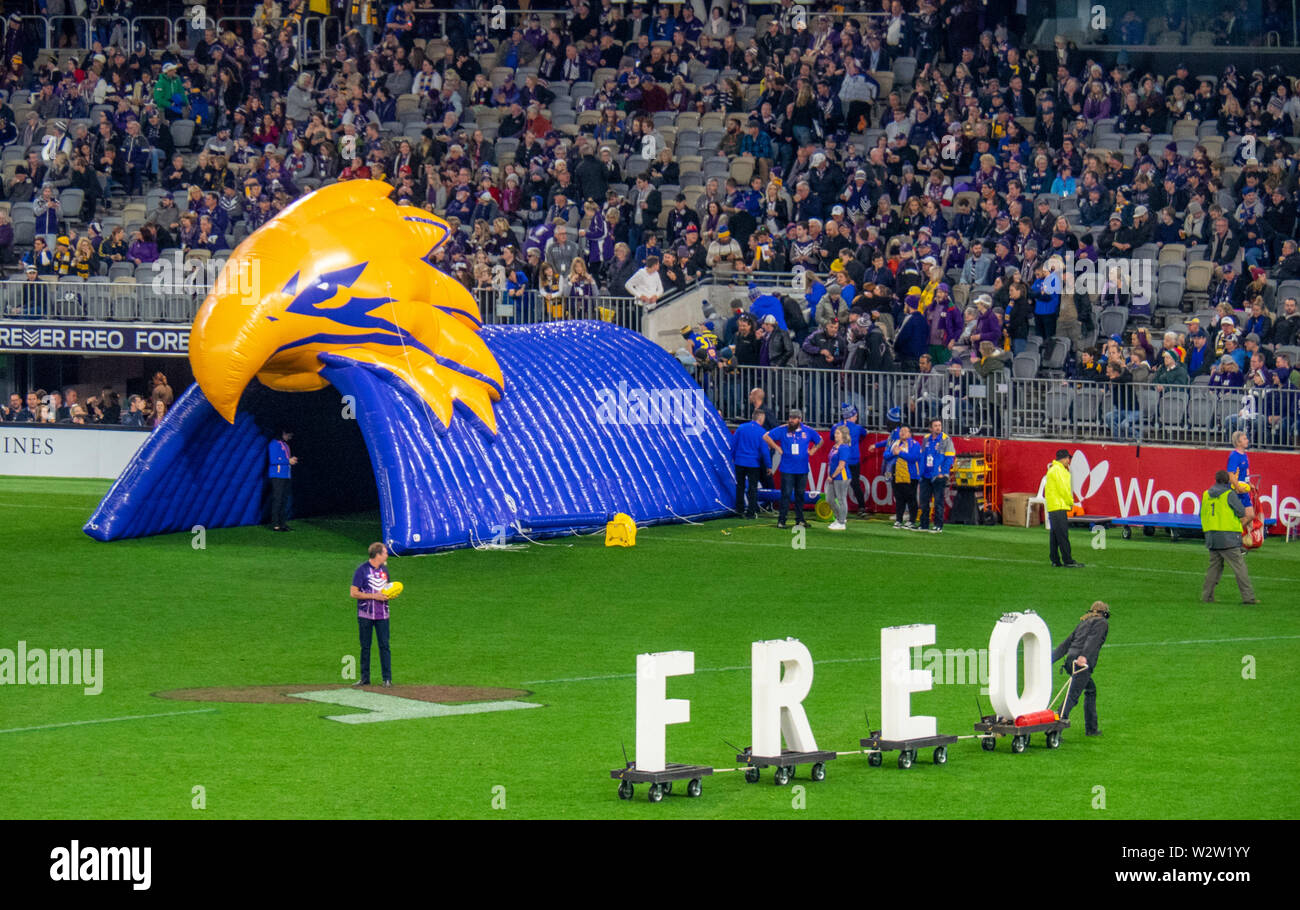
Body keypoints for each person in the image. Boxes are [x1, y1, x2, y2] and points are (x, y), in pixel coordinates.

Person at [1051, 600, 1110, 737]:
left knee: (1090, 689)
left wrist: (1051, 659)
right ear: (1104, 612)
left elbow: (1067, 643)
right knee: (1072, 695)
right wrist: (1084, 656)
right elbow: (1093, 640)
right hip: (1081, 663)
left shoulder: (1084, 622)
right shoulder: (1101, 623)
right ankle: (1056, 727)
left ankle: (1091, 728)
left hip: (1070, 661)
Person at [1200, 470, 1258, 604]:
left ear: (1215, 480)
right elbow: (1241, 511)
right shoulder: (1229, 494)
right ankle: (1248, 597)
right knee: (1239, 568)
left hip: (1211, 536)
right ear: (1228, 481)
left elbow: (1202, 514)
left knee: (1214, 568)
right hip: (1228, 537)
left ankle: (1207, 596)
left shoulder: (1206, 494)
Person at [764, 408, 821, 529]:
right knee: (786, 494)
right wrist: (777, 448)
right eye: (790, 418)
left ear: (800, 419)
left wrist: (813, 451)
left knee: (800, 495)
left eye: (794, 418)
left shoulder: (808, 430)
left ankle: (800, 520)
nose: (791, 420)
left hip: (802, 469)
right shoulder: (783, 429)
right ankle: (781, 520)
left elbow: (820, 440)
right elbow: (766, 436)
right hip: (787, 469)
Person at [349, 542, 395, 688]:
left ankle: (387, 678)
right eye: (385, 552)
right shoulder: (361, 571)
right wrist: (375, 596)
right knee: (365, 646)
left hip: (383, 615)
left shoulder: (385, 570)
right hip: (365, 614)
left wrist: (391, 595)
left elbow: (387, 589)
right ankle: (364, 678)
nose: (387, 555)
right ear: (378, 555)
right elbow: (353, 592)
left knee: (384, 646)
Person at [1045, 449, 1085, 567]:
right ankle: (1067, 560)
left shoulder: (1054, 469)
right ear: (1063, 458)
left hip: (1054, 505)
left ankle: (1055, 560)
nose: (1069, 461)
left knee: (1055, 535)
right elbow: (1064, 489)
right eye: (1068, 458)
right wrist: (1070, 502)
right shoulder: (1059, 470)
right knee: (1062, 534)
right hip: (1059, 505)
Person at [731, 408, 771, 519]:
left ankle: (739, 510)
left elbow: (733, 445)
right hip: (753, 463)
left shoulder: (741, 428)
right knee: (752, 488)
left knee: (740, 486)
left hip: (739, 461)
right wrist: (769, 466)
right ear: (761, 418)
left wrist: (734, 457)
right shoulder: (762, 432)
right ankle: (751, 512)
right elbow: (764, 451)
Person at [917, 418, 955, 532]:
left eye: (939, 425)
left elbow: (949, 458)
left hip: (938, 476)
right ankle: (924, 524)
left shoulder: (946, 439)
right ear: (930, 428)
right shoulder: (926, 439)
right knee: (924, 501)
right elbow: (922, 456)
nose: (938, 427)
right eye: (935, 425)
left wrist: (943, 473)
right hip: (926, 475)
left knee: (938, 501)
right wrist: (921, 472)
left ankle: (938, 525)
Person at [831, 403, 868, 517]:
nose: (856, 418)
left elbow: (832, 438)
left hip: (840, 460)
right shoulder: (857, 428)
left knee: (838, 486)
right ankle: (861, 507)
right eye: (855, 416)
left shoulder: (836, 427)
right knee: (855, 484)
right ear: (851, 416)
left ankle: (837, 511)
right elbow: (865, 434)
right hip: (853, 460)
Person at [889, 425, 922, 529]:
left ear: (910, 433)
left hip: (911, 474)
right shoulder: (896, 443)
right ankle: (899, 519)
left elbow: (914, 458)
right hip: (897, 474)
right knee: (899, 498)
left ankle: (912, 520)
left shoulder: (915, 444)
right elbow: (886, 455)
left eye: (905, 431)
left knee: (911, 498)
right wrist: (893, 453)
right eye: (901, 431)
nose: (902, 433)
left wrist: (900, 453)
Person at [267, 427, 298, 531]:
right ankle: (275, 524)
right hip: (277, 476)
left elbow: (285, 459)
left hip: (286, 476)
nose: (289, 437)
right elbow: (274, 460)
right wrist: (288, 461)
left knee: (284, 500)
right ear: (283, 433)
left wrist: (291, 460)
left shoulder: (285, 445)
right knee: (278, 499)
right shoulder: (274, 443)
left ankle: (283, 523)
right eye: (288, 435)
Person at [1225, 431, 1255, 525]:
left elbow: (1246, 470)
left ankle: (1236, 534)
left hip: (1243, 489)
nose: (1247, 440)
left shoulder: (1244, 455)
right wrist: (1238, 487)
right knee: (1246, 515)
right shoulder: (1234, 456)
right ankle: (1234, 534)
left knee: (1250, 515)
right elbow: (1230, 475)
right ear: (1238, 442)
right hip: (1236, 490)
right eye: (1244, 439)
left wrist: (1249, 483)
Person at [827, 425, 852, 531]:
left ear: (843, 435)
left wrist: (832, 476)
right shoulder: (835, 446)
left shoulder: (844, 447)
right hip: (833, 476)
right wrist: (830, 475)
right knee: (830, 499)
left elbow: (841, 466)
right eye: (835, 433)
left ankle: (842, 522)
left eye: (838, 433)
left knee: (841, 499)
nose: (835, 435)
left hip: (842, 477)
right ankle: (839, 518)